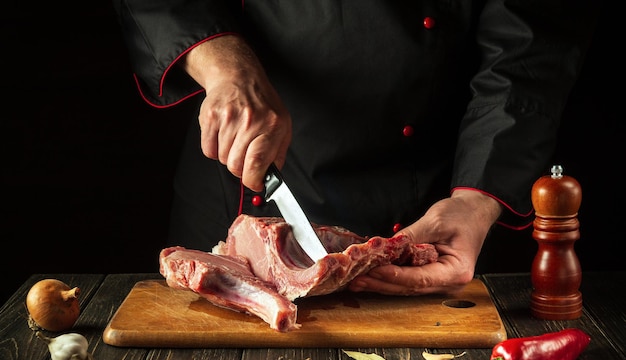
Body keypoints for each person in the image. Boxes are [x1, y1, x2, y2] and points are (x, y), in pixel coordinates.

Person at [113, 0, 597, 295]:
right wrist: (222, 65)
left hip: (434, 200)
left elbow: (528, 44)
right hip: (240, 174)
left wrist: (476, 200)